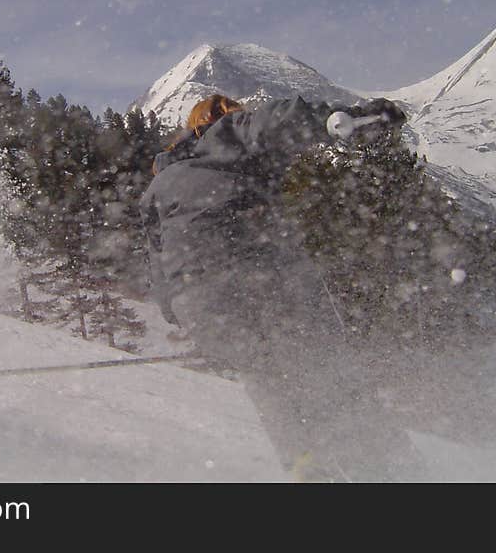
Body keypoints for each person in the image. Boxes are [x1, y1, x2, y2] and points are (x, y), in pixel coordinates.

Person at [140, 92, 414, 479]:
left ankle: (309, 468)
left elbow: (156, 260)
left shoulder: (161, 181)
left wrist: (186, 313)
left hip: (200, 301)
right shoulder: (229, 133)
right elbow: (278, 120)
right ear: (218, 119)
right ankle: (391, 469)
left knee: (269, 382)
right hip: (260, 274)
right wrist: (352, 118)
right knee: (331, 372)